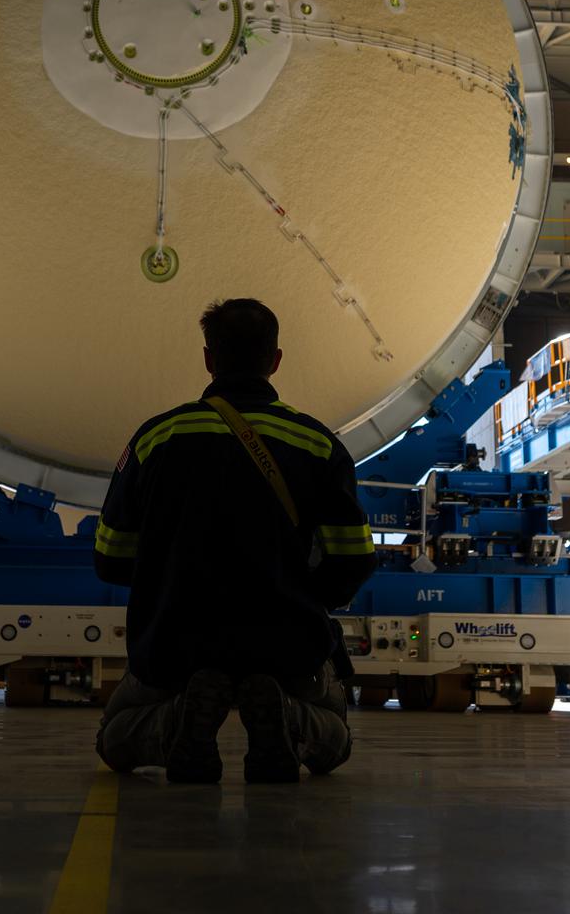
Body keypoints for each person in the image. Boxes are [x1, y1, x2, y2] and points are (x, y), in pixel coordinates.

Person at [93, 297, 376, 784]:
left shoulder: (155, 438)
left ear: (208, 358)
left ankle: (175, 720)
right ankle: (288, 718)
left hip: (175, 642)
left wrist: (166, 585)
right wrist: (305, 597)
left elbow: (111, 557)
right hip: (286, 644)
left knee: (114, 739)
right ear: (276, 359)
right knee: (333, 746)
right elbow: (353, 559)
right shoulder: (317, 444)